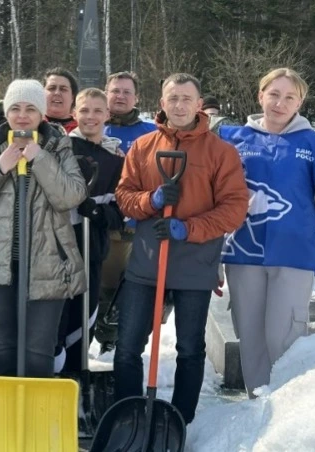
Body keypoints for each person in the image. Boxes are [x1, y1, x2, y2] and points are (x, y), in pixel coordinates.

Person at [113, 73, 248, 424]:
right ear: (161, 103)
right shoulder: (143, 147)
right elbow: (124, 197)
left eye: (187, 98)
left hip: (195, 262)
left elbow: (234, 208)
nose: (179, 105)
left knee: (189, 348)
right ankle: (128, 415)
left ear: (199, 104)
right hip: (147, 259)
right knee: (127, 346)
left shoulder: (220, 152)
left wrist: (187, 228)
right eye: (172, 98)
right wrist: (151, 200)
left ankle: (179, 419)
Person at [219, 68, 315, 398]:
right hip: (243, 252)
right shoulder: (231, 139)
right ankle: (257, 409)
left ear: (300, 102)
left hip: (294, 254)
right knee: (250, 337)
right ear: (260, 96)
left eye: (289, 97)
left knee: (284, 337)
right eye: (274, 94)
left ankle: (285, 409)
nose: (280, 103)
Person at [0, 79, 87, 378]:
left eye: (30, 108)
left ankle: (34, 414)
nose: (22, 115)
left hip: (47, 263)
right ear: (6, 112)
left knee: (38, 347)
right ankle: (6, 413)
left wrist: (38, 158)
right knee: (3, 344)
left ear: (41, 113)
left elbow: (71, 195)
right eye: (15, 108)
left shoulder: (58, 146)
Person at [55, 88, 126, 373]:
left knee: (85, 315)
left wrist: (98, 212)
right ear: (74, 114)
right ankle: (55, 373)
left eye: (98, 110)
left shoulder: (117, 159)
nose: (91, 116)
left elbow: (122, 210)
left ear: (108, 114)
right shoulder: (63, 150)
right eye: (84, 110)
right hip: (60, 250)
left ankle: (78, 376)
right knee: (58, 317)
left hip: (93, 249)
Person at [95, 71, 158, 353]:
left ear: (136, 98)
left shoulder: (150, 134)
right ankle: (102, 345)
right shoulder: (95, 127)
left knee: (134, 295)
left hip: (138, 228)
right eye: (115, 91)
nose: (119, 96)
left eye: (126, 92)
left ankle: (127, 351)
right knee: (102, 294)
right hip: (102, 226)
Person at [43, 68, 79, 133]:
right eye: (52, 88)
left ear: (72, 97)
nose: (57, 93)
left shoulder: (81, 130)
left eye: (63, 89)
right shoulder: (33, 125)